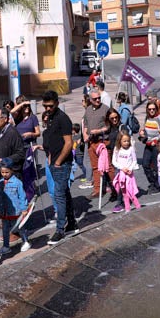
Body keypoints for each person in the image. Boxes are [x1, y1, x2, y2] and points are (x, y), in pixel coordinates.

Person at [42, 90, 79, 245]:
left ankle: (60, 230)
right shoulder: (50, 118)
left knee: (59, 195)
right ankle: (71, 223)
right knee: (64, 193)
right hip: (54, 162)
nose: (47, 109)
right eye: (45, 106)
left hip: (62, 164)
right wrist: (51, 157)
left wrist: (58, 162)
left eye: (50, 106)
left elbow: (68, 143)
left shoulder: (63, 119)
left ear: (57, 103)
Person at [81, 88, 112, 196]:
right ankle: (98, 189)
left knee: (108, 167)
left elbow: (109, 126)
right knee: (95, 167)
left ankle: (114, 188)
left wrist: (98, 131)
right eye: (95, 99)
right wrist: (85, 134)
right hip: (91, 142)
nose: (98, 100)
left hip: (102, 141)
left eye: (99, 98)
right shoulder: (88, 109)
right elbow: (85, 124)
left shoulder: (106, 109)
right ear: (90, 99)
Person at [0, 159, 31, 255]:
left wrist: (24, 209)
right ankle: (6, 246)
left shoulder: (17, 183)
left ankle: (25, 241)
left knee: (20, 227)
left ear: (12, 170)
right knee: (5, 229)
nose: (4, 174)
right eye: (2, 172)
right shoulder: (0, 183)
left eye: (6, 172)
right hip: (4, 211)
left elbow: (22, 196)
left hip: (16, 210)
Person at [139, 100, 160, 192]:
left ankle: (158, 185)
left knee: (155, 166)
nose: (151, 111)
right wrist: (142, 133)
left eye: (153, 109)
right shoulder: (147, 117)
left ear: (156, 109)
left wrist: (156, 141)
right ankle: (152, 182)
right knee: (145, 164)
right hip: (148, 143)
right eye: (150, 109)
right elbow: (145, 128)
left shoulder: (159, 118)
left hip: (155, 145)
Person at [110, 131, 141, 213]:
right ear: (119, 141)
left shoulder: (131, 149)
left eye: (128, 141)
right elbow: (114, 161)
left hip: (129, 174)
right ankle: (127, 208)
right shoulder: (117, 149)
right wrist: (122, 168)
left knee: (131, 192)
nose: (127, 143)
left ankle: (138, 207)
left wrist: (130, 169)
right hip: (121, 173)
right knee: (124, 193)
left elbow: (134, 160)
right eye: (124, 141)